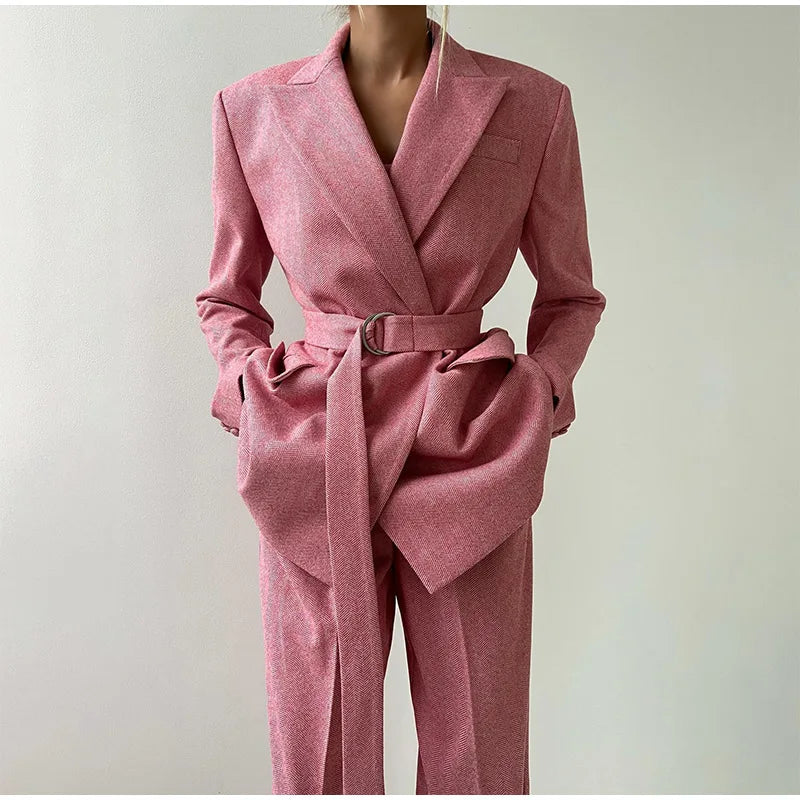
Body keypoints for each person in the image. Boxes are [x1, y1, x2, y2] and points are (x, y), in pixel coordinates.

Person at [195, 6, 607, 794]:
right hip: (316, 441)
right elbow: (227, 297)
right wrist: (253, 397)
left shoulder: (532, 104)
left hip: (467, 444)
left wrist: (537, 394)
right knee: (318, 745)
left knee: (479, 751)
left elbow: (570, 296)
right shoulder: (252, 108)